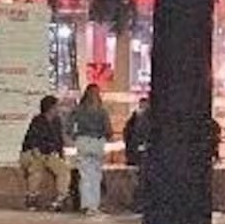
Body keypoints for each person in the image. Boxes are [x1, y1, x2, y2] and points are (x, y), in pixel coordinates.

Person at [20, 95, 70, 212]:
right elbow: (32, 140)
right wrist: (37, 154)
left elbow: (59, 140)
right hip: (35, 152)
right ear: (50, 108)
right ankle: (32, 197)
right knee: (36, 169)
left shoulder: (57, 121)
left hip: (49, 153)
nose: (58, 109)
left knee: (63, 170)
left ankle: (61, 198)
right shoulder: (37, 121)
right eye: (56, 106)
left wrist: (61, 155)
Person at [68, 84, 112, 214]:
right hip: (96, 142)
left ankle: (88, 206)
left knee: (87, 175)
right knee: (94, 175)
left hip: (85, 141)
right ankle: (92, 206)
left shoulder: (79, 110)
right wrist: (105, 137)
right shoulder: (101, 111)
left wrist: (75, 136)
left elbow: (69, 127)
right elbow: (108, 130)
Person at [122, 96, 149, 167]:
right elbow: (128, 129)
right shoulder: (136, 116)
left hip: (139, 141)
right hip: (136, 141)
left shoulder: (141, 116)